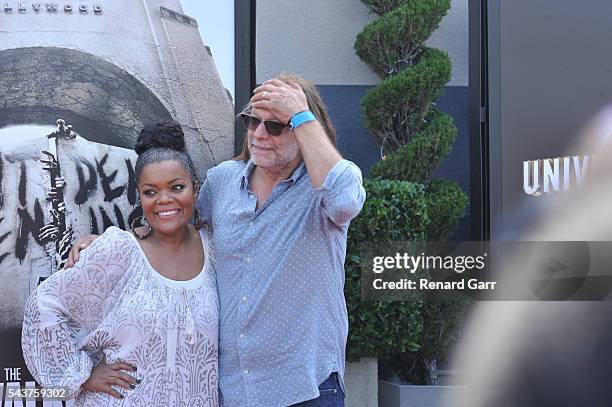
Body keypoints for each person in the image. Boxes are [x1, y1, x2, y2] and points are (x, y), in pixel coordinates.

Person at [67, 74, 366, 406]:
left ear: (305, 127)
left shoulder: (323, 190)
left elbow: (347, 199)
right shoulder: (222, 181)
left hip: (304, 390)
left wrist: (300, 112)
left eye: (277, 125)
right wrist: (109, 244)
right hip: (233, 392)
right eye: (253, 121)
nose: (260, 135)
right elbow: (176, 230)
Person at [22, 122, 219, 406]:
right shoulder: (118, 251)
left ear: (195, 189)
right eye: (151, 192)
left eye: (176, 187)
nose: (164, 200)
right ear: (139, 195)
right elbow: (45, 305)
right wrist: (81, 375)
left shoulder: (215, 249)